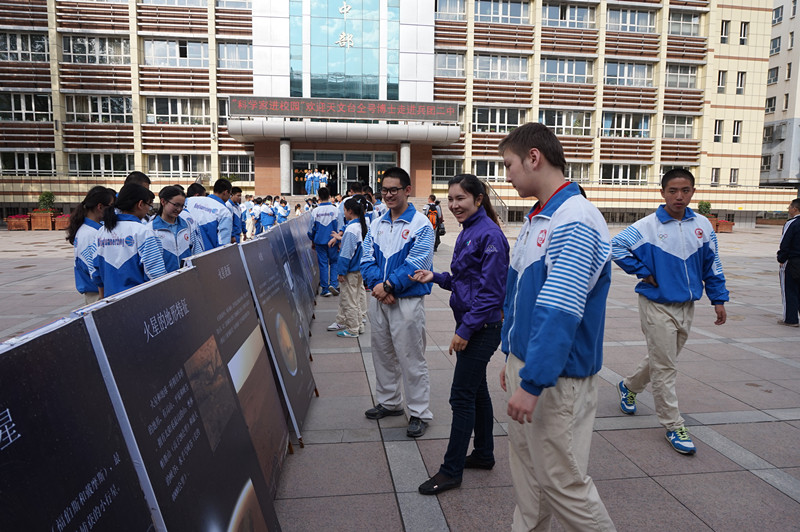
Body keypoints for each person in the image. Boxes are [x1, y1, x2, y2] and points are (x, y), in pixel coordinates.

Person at [498, 123, 616, 531]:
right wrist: (511, 357)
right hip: (531, 364)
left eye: (508, 165)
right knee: (530, 480)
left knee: (562, 482)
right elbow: (518, 297)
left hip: (556, 376)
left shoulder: (575, 218)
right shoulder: (539, 217)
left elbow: (560, 309)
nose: (507, 176)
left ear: (534, 157)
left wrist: (532, 382)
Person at [613, 168, 729, 457]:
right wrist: (643, 272)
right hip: (656, 304)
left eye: (685, 190)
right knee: (666, 367)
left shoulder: (703, 225)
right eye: (673, 191)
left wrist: (718, 299)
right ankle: (673, 425)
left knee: (663, 359)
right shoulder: (647, 226)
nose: (679, 196)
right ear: (662, 192)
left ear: (693, 192)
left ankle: (628, 386)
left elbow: (712, 264)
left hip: (686, 305)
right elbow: (615, 246)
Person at [411, 174, 509, 495]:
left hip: (481, 327)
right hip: (472, 323)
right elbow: (467, 281)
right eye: (450, 199)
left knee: (461, 397)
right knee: (477, 391)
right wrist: (436, 276)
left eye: (460, 199)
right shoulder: (470, 230)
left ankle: (451, 471)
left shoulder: (490, 235)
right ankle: (483, 454)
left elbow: (492, 293)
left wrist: (465, 330)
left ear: (478, 199)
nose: (453, 205)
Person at [360, 167, 435, 438]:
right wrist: (379, 287)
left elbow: (418, 263)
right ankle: (390, 402)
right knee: (382, 353)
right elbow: (365, 258)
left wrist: (388, 286)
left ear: (407, 190)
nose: (389, 195)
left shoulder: (421, 225)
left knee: (411, 357)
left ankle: (419, 412)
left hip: (407, 301)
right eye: (385, 190)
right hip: (380, 299)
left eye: (394, 190)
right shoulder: (377, 223)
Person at [92, 183, 167, 297]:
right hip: (138, 300)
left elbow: (95, 271)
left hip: (110, 300)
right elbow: (157, 274)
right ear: (140, 204)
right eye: (149, 205)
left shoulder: (102, 231)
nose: (148, 209)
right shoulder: (143, 232)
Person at [66, 186, 115, 304]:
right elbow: (94, 270)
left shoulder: (92, 229)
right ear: (100, 207)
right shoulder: (90, 233)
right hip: (98, 294)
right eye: (111, 206)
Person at [329, 196, 369, 338]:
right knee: (356, 299)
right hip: (359, 269)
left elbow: (346, 254)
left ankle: (352, 329)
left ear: (350, 211)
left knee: (349, 300)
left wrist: (341, 272)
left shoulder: (351, 228)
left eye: (344, 210)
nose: (343, 213)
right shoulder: (361, 226)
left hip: (350, 271)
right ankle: (359, 325)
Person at [148, 186, 204, 272]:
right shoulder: (151, 229)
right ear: (163, 202)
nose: (179, 209)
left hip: (188, 277)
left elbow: (197, 253)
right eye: (176, 205)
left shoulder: (187, 226)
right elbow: (152, 265)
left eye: (182, 206)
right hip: (165, 279)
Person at [308, 187, 340, 297]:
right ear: (329, 196)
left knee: (323, 264)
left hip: (320, 241)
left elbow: (310, 229)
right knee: (334, 262)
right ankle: (334, 285)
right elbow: (340, 226)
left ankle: (325, 289)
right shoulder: (336, 210)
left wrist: (312, 240)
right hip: (333, 241)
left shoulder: (315, 211)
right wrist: (338, 240)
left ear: (319, 197)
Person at [184, 179, 233, 249]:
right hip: (208, 254)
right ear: (226, 192)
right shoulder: (224, 212)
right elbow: (223, 246)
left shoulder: (189, 201)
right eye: (230, 194)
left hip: (185, 252)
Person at [778, 198, 800, 327]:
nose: (789, 209)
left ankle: (791, 319)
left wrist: (781, 258)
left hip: (793, 261)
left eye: (790, 207)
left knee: (789, 290)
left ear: (795, 209)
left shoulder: (792, 223)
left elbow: (785, 242)